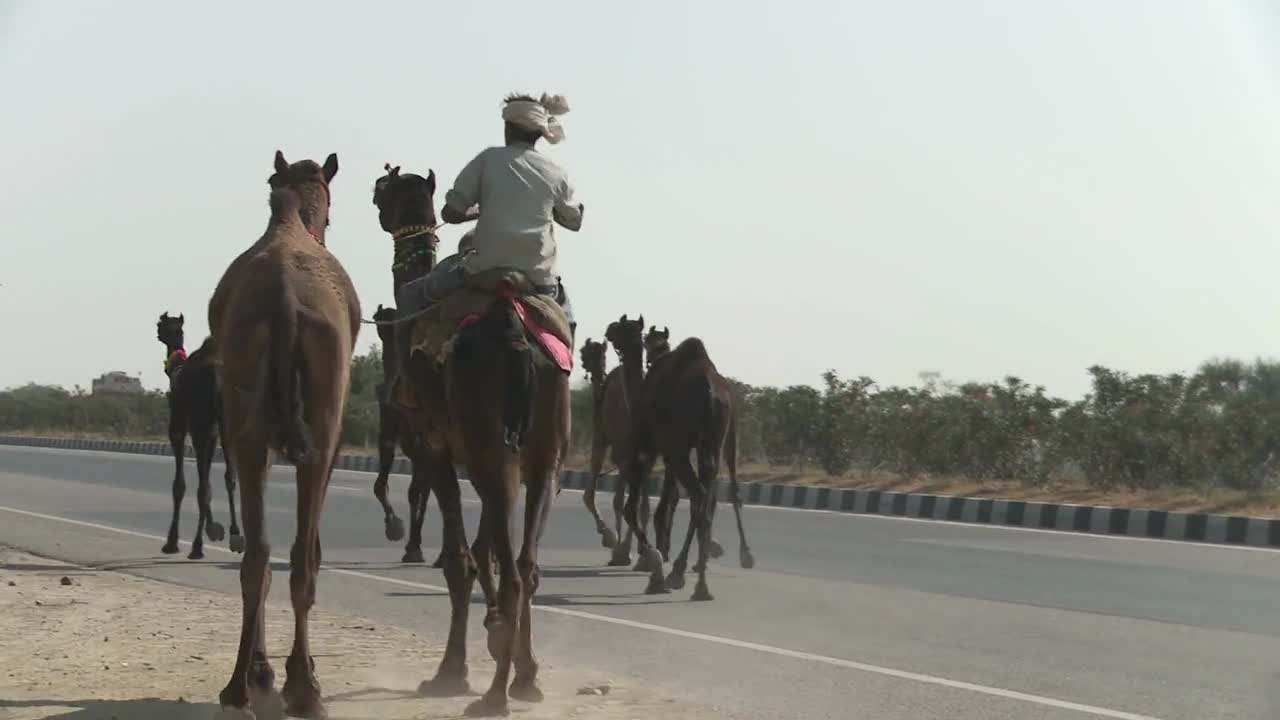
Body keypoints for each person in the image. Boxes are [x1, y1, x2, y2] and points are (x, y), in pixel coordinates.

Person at [389, 92, 585, 408]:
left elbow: (451, 212)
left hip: (481, 274)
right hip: (539, 281)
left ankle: (405, 386)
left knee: (411, 297)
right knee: (568, 320)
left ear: (508, 128)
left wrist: (478, 210)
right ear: (538, 132)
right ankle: (560, 393)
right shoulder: (555, 172)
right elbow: (573, 220)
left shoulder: (488, 160)